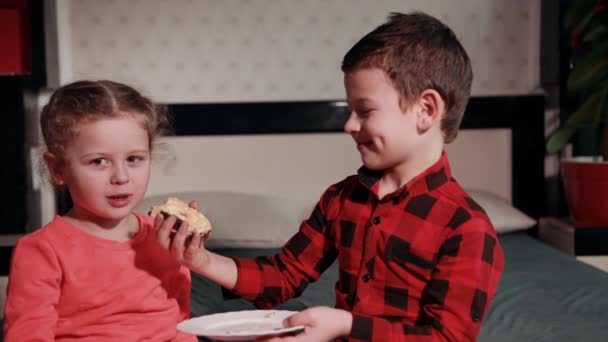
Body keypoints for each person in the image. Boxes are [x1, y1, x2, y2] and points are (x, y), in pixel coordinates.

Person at [157, 12, 504, 341]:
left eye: (365, 111)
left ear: (426, 110)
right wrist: (201, 260)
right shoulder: (343, 199)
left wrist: (345, 325)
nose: (349, 125)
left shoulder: (467, 228)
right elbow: (283, 275)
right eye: (350, 111)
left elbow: (447, 337)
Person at [3, 80, 196, 341]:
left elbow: (179, 325)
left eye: (133, 159)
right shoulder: (42, 251)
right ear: (57, 168)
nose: (121, 176)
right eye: (99, 161)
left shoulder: (162, 236)